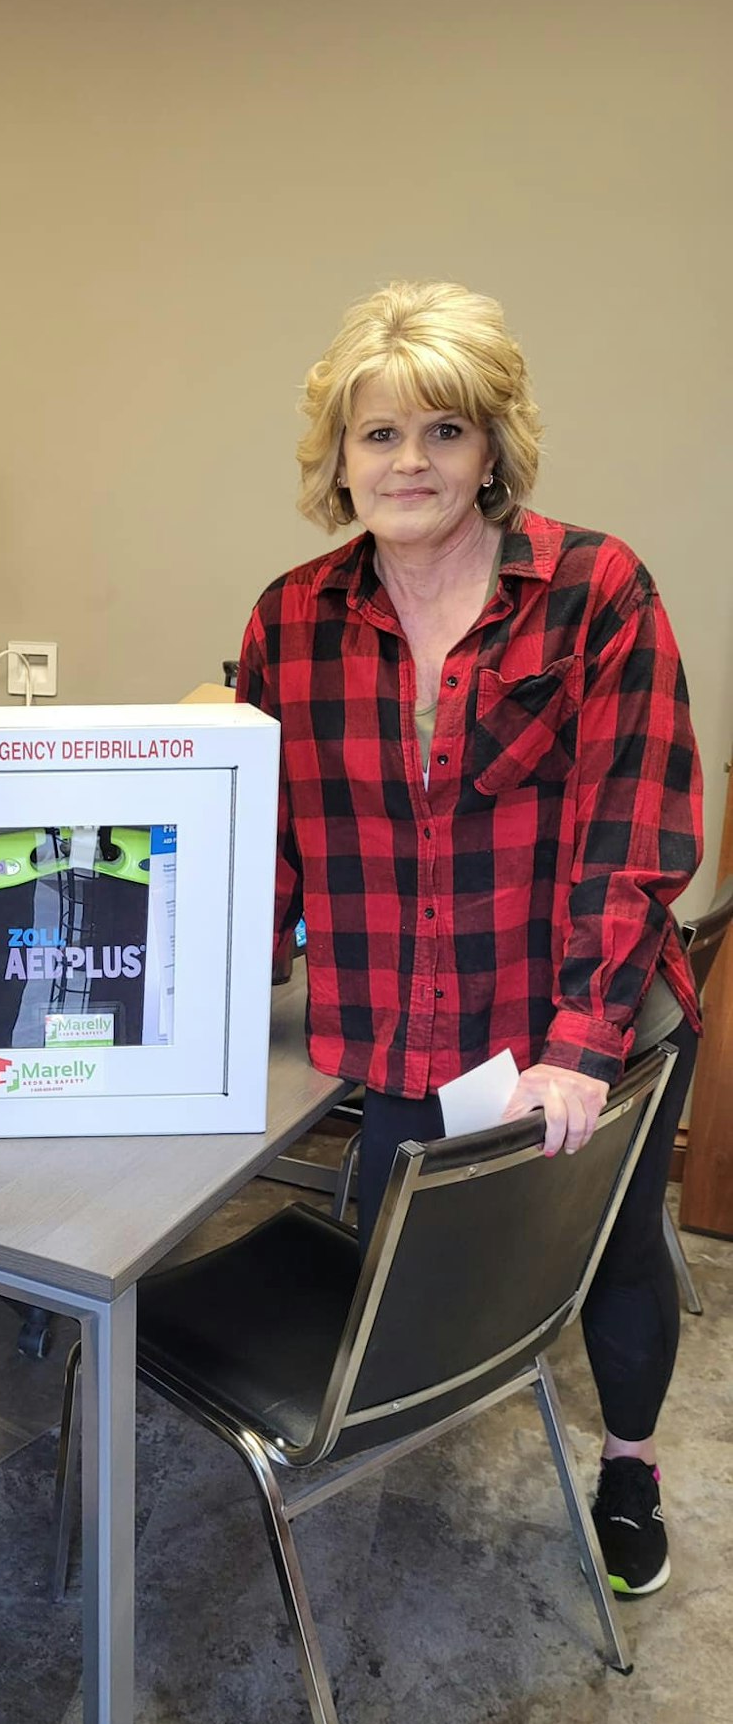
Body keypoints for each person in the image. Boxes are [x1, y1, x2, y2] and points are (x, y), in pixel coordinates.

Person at [238, 280, 702, 1600]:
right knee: (409, 1278)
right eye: (378, 435)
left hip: (580, 1009)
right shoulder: (292, 620)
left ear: (493, 447)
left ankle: (629, 1463)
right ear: (337, 457)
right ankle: (423, 1443)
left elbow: (636, 826)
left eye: (443, 431)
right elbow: (267, 836)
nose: (410, 463)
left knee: (606, 1253)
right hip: (404, 1019)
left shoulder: (595, 591)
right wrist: (199, 1005)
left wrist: (577, 1043)